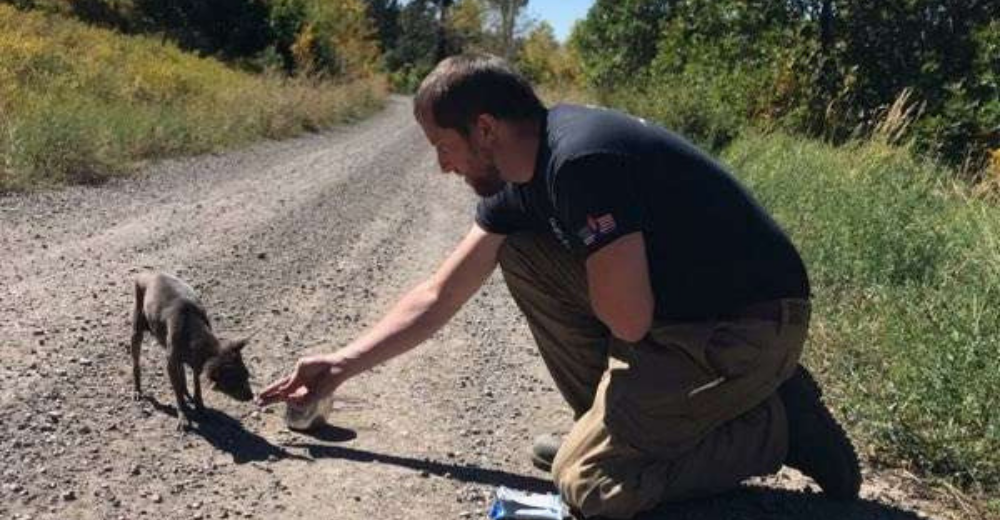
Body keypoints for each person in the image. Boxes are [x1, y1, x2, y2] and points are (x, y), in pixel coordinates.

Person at [258, 53, 861, 519]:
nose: (442, 166)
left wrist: (586, 244)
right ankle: (624, 431)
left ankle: (777, 428)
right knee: (515, 247)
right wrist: (339, 364)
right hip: (679, 318)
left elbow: (627, 322)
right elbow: (440, 294)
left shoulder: (580, 164)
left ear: (485, 129)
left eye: (444, 147)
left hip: (749, 324)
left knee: (590, 487)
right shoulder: (523, 175)